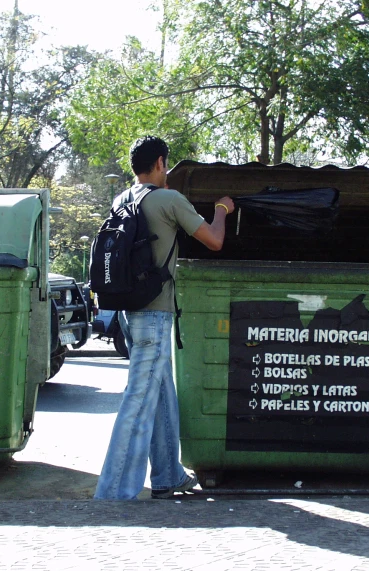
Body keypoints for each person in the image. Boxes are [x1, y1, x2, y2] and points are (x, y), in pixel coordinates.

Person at [94, 136, 235, 500]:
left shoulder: (123, 199)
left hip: (128, 310)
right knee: (138, 399)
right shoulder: (170, 200)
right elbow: (214, 240)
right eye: (166, 165)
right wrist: (221, 208)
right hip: (154, 315)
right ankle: (112, 493)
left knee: (161, 394)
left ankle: (169, 475)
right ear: (160, 162)